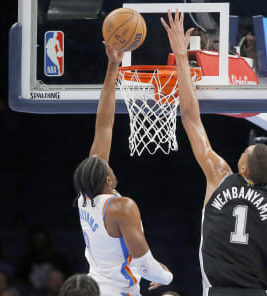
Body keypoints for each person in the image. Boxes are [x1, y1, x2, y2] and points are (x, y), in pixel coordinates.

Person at [161, 10, 267, 296]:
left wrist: (182, 56)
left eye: (244, 153)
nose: (240, 155)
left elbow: (190, 117)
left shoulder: (219, 176)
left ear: (243, 169)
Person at [73, 42, 173, 296]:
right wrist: (166, 275)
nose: (108, 164)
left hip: (96, 287)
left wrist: (113, 66)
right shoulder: (121, 207)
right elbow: (144, 265)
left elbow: (104, 125)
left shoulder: (86, 196)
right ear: (108, 180)